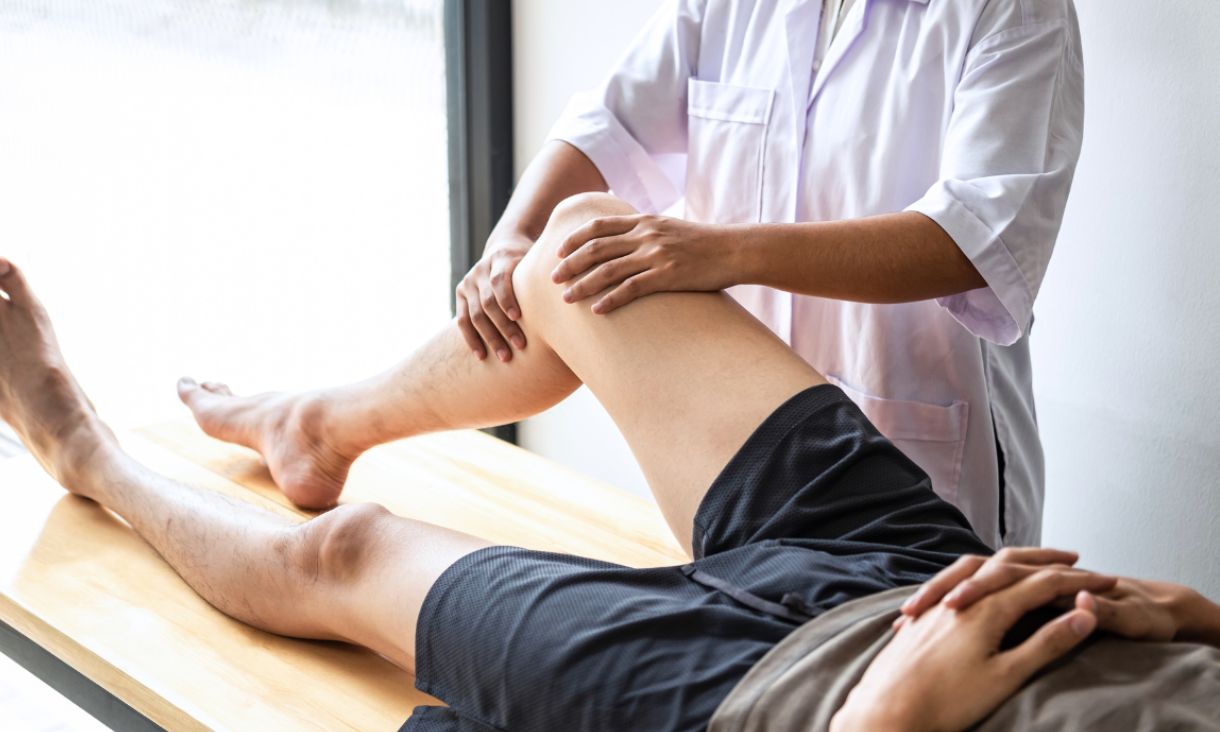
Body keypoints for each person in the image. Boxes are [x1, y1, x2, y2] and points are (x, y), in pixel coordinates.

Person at [1, 195, 1217, 731]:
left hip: (790, 703)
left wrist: (884, 719)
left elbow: (979, 232)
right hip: (938, 580)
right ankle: (319, 427)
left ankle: (83, 446)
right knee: (580, 252)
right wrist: (1195, 614)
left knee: (346, 555)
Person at [452, 0, 1086, 549]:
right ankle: (352, 426)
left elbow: (972, 241)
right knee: (577, 242)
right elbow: (610, 124)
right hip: (733, 455)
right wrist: (515, 234)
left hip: (915, 462)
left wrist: (721, 252)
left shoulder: (1013, 10)